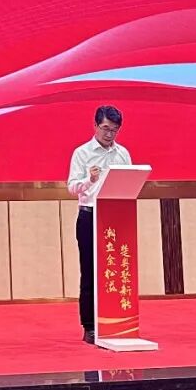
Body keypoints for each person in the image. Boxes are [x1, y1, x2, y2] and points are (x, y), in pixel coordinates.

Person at [66, 104, 132, 344]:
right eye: (105, 128)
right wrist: (89, 179)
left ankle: (116, 320)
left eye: (114, 130)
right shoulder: (82, 153)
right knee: (90, 272)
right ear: (95, 126)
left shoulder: (122, 154)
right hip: (89, 215)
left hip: (116, 216)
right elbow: (71, 187)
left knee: (116, 270)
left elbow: (129, 181)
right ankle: (89, 326)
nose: (109, 134)